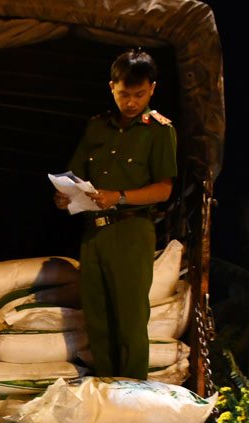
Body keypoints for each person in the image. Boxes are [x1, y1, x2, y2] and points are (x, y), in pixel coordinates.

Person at [55, 48, 178, 380]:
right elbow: (74, 175)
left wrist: (119, 197)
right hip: (94, 233)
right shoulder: (97, 128)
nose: (131, 102)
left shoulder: (159, 130)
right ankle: (107, 385)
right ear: (112, 87)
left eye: (139, 94)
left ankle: (133, 389)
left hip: (131, 231)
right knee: (98, 317)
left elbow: (163, 189)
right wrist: (64, 197)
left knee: (129, 318)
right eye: (124, 93)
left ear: (152, 88)